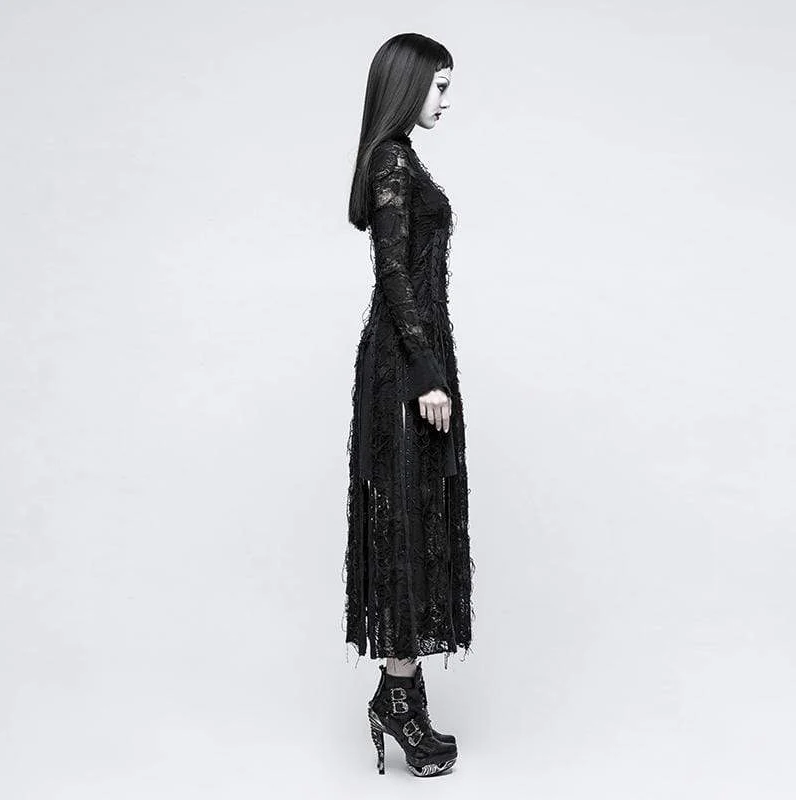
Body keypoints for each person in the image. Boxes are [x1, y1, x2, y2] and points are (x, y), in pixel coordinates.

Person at [342, 32, 475, 777]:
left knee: (415, 515)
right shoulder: (391, 159)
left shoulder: (401, 158)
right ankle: (398, 699)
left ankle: (400, 696)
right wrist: (426, 374)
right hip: (404, 367)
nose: (447, 100)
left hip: (417, 357)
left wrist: (433, 365)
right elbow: (392, 274)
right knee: (403, 521)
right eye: (440, 86)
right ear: (408, 83)